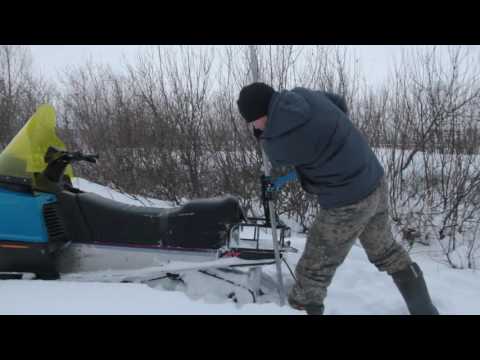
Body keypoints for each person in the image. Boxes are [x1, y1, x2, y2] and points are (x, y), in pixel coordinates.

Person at [237, 82, 439, 315]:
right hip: (373, 179)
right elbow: (339, 103)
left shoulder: (283, 142)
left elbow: (275, 156)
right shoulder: (303, 95)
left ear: (261, 114)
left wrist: (261, 135)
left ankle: (303, 308)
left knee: (313, 271)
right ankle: (425, 311)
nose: (253, 127)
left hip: (347, 200)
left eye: (252, 121)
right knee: (386, 251)